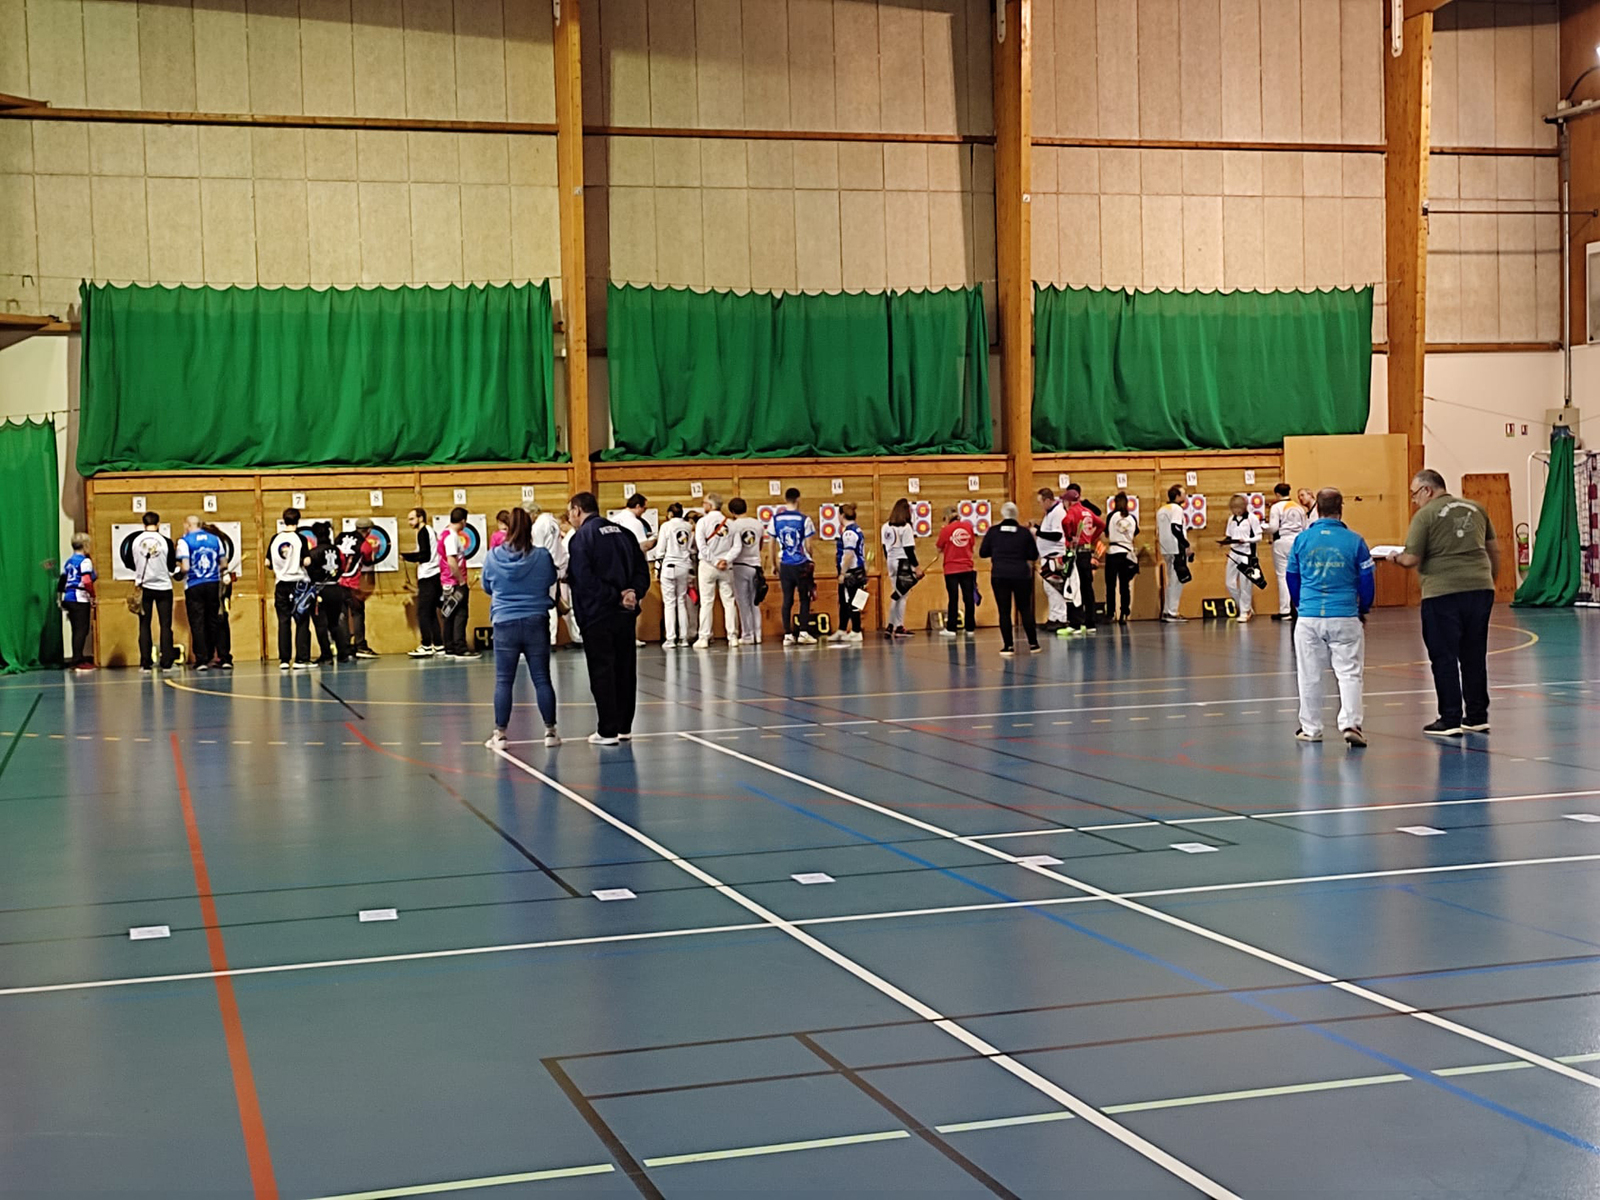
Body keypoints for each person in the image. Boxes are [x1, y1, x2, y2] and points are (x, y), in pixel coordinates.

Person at [1392, 469, 1499, 737]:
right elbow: (1493, 550)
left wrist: (1394, 557)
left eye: (1414, 494)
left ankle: (1450, 717)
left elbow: (1411, 558)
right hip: (1480, 589)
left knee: (1444, 655)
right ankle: (1477, 715)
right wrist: (1489, 580)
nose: (1414, 500)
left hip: (1442, 592)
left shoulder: (1425, 515)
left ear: (1427, 490)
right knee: (1474, 654)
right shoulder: (1476, 508)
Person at [1287, 488, 1375, 747]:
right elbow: (1367, 580)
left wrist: (1300, 605)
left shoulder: (1302, 540)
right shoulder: (1355, 541)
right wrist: (1363, 608)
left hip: (1309, 616)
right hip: (1345, 614)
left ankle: (1311, 728)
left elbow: (1292, 578)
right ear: (1341, 508)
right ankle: (1351, 723)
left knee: (1309, 674)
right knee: (1349, 673)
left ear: (1317, 508)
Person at [566, 492, 651, 746]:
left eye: (570, 512)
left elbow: (584, 579)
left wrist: (614, 597)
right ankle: (624, 727)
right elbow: (642, 571)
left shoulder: (582, 538)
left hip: (597, 614)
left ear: (578, 510)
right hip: (625, 614)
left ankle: (607, 730)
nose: (570, 517)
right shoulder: (625, 534)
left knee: (602, 671)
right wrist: (633, 593)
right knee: (625, 669)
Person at [482, 508, 560, 750]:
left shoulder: (493, 556)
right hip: (536, 620)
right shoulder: (542, 555)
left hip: (504, 622)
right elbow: (550, 579)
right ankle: (550, 732)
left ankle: (500, 735)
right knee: (542, 678)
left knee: (504, 681)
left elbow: (487, 586)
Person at [980, 502, 1041, 656]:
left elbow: (983, 552)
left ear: (1002, 514)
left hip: (1000, 575)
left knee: (1004, 611)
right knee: (1025, 609)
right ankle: (1033, 644)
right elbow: (1033, 555)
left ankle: (1008, 646)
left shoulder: (993, 532)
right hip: (1021, 575)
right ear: (1016, 514)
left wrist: (998, 551)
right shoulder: (1024, 533)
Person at [176, 515, 230, 671]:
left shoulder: (185, 541)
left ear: (188, 525)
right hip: (213, 584)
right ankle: (216, 655)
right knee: (213, 620)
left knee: (197, 622)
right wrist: (212, 571)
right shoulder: (215, 539)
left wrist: (178, 574)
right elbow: (224, 564)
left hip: (194, 585)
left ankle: (201, 660)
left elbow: (185, 566)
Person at [770, 488, 818, 646]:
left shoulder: (775, 519)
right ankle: (803, 632)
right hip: (801, 563)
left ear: (785, 499)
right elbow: (809, 545)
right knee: (804, 598)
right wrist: (810, 559)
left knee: (787, 599)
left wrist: (773, 564)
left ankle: (788, 635)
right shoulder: (804, 519)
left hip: (785, 564)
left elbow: (771, 544)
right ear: (798, 499)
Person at [130, 511, 176, 672]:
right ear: (158, 524)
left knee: (144, 625)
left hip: (144, 587)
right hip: (164, 587)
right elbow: (171, 566)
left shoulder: (135, 541)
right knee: (165, 625)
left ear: (143, 524)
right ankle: (167, 662)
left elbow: (130, 562)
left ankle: (145, 663)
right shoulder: (166, 541)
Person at [268, 507, 313, 669]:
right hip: (298, 584)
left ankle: (284, 660)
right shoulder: (300, 538)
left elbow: (267, 563)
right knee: (302, 621)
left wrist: (281, 567)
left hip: (281, 584)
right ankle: (301, 659)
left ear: (284, 520)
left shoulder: (275, 538)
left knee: (283, 621)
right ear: (298, 521)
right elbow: (306, 561)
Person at [694, 494, 739, 649]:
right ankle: (733, 637)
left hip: (708, 566)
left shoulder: (702, 522)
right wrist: (725, 559)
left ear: (710, 505)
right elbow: (737, 546)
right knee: (729, 602)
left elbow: (701, 546)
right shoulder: (731, 523)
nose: (703, 505)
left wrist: (714, 561)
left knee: (706, 602)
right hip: (726, 566)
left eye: (704, 503)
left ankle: (704, 637)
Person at [335, 520, 381, 658]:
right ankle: (360, 646)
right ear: (369, 531)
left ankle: (344, 647)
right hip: (352, 585)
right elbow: (368, 561)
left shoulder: (341, 537)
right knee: (358, 613)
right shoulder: (365, 544)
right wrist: (375, 551)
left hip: (337, 583)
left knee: (342, 615)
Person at [654, 502, 697, 648]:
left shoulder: (666, 526)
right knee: (681, 601)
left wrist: (657, 568)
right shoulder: (688, 527)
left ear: (670, 514)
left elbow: (660, 549)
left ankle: (671, 638)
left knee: (669, 603)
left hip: (669, 566)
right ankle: (684, 638)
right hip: (684, 566)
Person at [1062, 485, 1103, 635]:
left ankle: (1076, 623)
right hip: (1087, 552)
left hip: (1077, 553)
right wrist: (1091, 538)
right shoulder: (1087, 511)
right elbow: (1101, 524)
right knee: (1087, 587)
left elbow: (1066, 522)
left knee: (1074, 587)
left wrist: (1069, 536)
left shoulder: (1073, 511)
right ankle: (1090, 622)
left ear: (1068, 501)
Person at [308, 521, 351, 664]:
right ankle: (343, 654)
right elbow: (343, 567)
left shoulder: (313, 552)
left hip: (320, 590)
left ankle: (326, 655)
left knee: (321, 624)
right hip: (335, 589)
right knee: (335, 623)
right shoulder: (337, 550)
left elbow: (309, 571)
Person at [436, 508, 477, 659]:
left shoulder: (444, 533)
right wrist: (461, 581)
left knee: (449, 614)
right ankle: (459, 648)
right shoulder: (451, 537)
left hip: (447, 582)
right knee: (460, 614)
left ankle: (450, 647)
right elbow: (452, 561)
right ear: (463, 521)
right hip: (454, 582)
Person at [529, 503, 571, 648]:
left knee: (547, 603)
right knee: (552, 602)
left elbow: (538, 549)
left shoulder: (538, 526)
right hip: (556, 566)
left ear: (532, 514)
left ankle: (549, 638)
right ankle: (551, 638)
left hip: (545, 567)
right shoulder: (552, 521)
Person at [402, 508, 442, 657]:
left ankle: (426, 645)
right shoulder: (430, 531)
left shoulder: (423, 532)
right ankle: (438, 644)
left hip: (428, 576)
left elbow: (425, 556)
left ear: (420, 518)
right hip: (434, 576)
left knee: (423, 612)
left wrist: (407, 557)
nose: (409, 522)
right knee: (431, 612)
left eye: (412, 519)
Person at [933, 506, 978, 637]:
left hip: (951, 568)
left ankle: (951, 629)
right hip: (967, 567)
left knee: (953, 598)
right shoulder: (968, 527)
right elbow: (972, 544)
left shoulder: (946, 530)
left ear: (947, 517)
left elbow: (939, 547)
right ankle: (970, 628)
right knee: (968, 598)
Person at [727, 497, 766, 646]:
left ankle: (748, 635)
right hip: (755, 566)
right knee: (755, 602)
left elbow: (732, 546)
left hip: (739, 565)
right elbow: (760, 545)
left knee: (743, 602)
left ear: (732, 511)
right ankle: (758, 634)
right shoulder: (758, 524)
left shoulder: (733, 525)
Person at [1267, 483, 1310, 620]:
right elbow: (1305, 527)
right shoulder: (1299, 508)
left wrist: (1262, 527)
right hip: (1298, 542)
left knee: (1282, 576)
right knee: (1300, 575)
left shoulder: (1276, 507)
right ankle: (1301, 608)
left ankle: (1285, 610)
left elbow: (1273, 527)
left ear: (1277, 494)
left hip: (1282, 542)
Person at [881, 498, 921, 638]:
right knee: (900, 595)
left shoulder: (885, 527)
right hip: (903, 562)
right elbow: (909, 550)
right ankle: (894, 625)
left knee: (898, 592)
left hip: (891, 561)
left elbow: (885, 548)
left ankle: (895, 625)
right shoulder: (906, 528)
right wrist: (917, 567)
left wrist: (889, 562)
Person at [1220, 494, 1263, 622]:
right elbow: (1229, 535)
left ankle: (1245, 611)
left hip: (1247, 554)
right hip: (1233, 553)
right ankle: (1245, 606)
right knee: (1229, 583)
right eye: (1234, 508)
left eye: (1238, 508)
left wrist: (1246, 540)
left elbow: (1259, 537)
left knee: (1245, 584)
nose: (1236, 511)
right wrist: (1224, 542)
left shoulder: (1252, 518)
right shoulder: (1231, 519)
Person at [1034, 488, 1071, 631]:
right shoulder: (1051, 513)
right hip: (1048, 556)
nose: (1040, 505)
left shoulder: (1058, 513)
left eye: (1040, 502)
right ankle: (1054, 617)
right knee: (1050, 589)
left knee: (1055, 589)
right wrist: (1036, 527)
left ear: (1048, 500)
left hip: (1054, 556)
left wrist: (1038, 532)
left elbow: (1056, 535)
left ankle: (1060, 618)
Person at [59, 532, 96, 670]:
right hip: (79, 597)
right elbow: (86, 580)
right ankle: (78, 660)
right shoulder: (84, 561)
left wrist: (60, 597)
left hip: (69, 597)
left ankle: (77, 657)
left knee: (76, 629)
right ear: (86, 545)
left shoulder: (69, 561)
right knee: (82, 629)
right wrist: (92, 595)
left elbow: (62, 580)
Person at [832, 503, 867, 644]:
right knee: (846, 601)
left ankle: (856, 631)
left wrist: (842, 572)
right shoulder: (857, 529)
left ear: (841, 515)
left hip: (851, 572)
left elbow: (849, 555)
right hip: (858, 571)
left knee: (852, 601)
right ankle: (843, 629)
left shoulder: (849, 533)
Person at [1157, 485, 1192, 622]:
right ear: (1177, 496)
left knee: (1171, 580)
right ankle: (1172, 612)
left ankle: (1167, 611)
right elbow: (1176, 528)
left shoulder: (1162, 509)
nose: (1185, 496)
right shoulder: (1177, 509)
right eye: (1183, 493)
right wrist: (1186, 544)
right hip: (1176, 548)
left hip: (1165, 548)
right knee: (1177, 581)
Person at [1103, 493, 1139, 626]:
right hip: (1127, 554)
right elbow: (1136, 532)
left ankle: (1110, 613)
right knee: (1125, 585)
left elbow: (1106, 533)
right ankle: (1124, 612)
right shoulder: (1132, 518)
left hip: (1113, 552)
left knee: (1110, 585)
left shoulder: (1111, 516)